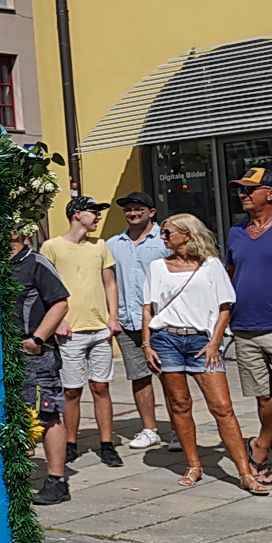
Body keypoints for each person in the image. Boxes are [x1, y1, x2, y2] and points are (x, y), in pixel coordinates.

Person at [142, 214, 267, 494]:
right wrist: (147, 344)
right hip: (166, 339)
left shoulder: (211, 266)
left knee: (222, 407)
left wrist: (215, 343)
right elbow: (148, 308)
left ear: (187, 234)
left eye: (167, 232)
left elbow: (225, 306)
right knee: (179, 404)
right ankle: (193, 464)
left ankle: (245, 473)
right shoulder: (157, 267)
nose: (162, 237)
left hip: (202, 340)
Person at [42, 195, 125, 467]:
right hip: (70, 331)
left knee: (101, 387)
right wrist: (57, 321)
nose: (98, 217)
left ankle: (106, 443)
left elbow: (109, 283)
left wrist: (113, 317)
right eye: (94, 211)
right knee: (71, 390)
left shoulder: (100, 246)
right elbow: (46, 287)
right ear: (77, 214)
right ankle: (70, 442)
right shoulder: (52, 246)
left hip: (99, 327)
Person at [11, 231, 72, 505]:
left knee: (46, 413)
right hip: (1, 354)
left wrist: (37, 339)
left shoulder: (36, 262)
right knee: (12, 415)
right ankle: (16, 478)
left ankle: (56, 481)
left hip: (35, 354)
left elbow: (60, 303)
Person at [106, 191, 168, 450]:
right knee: (139, 377)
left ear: (151, 212)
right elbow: (107, 282)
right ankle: (150, 429)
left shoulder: (164, 241)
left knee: (170, 376)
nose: (132, 213)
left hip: (160, 320)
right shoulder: (113, 244)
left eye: (138, 209)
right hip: (127, 319)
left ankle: (178, 429)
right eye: (128, 209)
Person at [227, 167, 272, 485]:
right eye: (240, 190)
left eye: (250, 190)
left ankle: (260, 446)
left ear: (271, 194)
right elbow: (230, 274)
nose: (243, 195)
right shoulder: (236, 231)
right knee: (263, 397)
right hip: (244, 325)